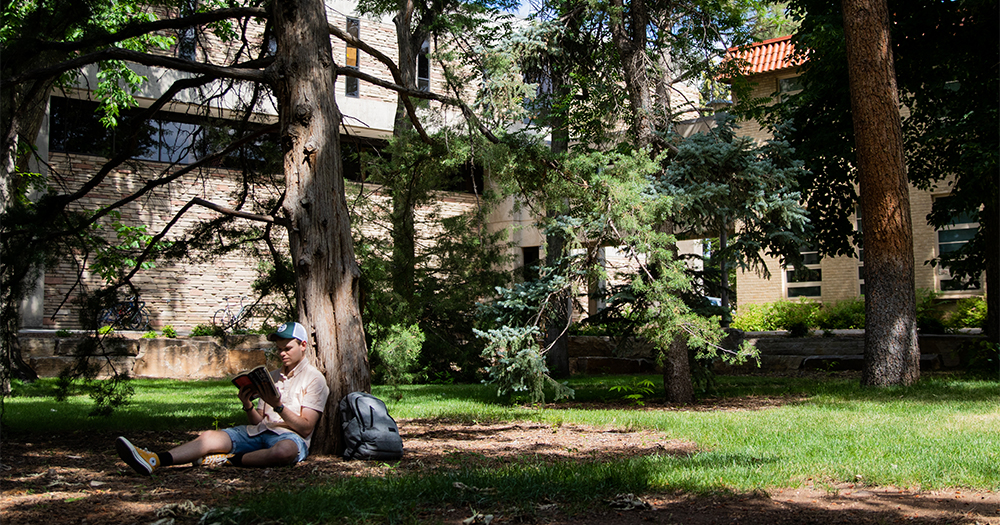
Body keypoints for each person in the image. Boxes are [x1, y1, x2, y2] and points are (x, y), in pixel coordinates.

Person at [115, 322, 330, 475]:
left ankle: (228, 460)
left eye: (288, 348)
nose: (282, 354)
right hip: (260, 432)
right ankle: (155, 459)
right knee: (209, 437)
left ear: (303, 346)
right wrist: (247, 406)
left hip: (289, 438)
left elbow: (305, 428)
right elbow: (259, 423)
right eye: (279, 349)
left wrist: (279, 407)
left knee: (284, 451)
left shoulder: (314, 379)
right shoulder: (271, 376)